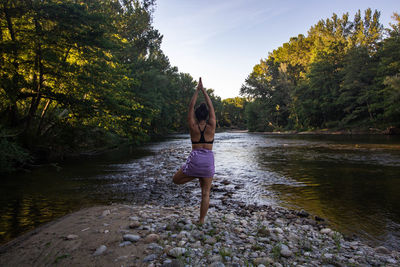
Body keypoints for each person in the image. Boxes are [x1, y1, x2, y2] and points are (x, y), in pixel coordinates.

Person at [173, 77, 216, 224]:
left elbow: (190, 107)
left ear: (196, 116)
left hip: (195, 160)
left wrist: (197, 90)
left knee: (176, 180)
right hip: (208, 161)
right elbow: (211, 107)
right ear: (207, 116)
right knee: (206, 193)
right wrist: (204, 91)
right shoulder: (212, 126)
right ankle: (201, 220)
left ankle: (195, 174)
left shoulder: (192, 126)